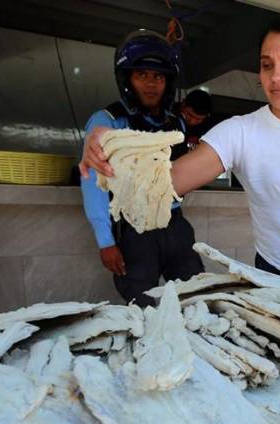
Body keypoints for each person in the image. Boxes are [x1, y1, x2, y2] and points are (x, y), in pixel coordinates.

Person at [80, 18, 280, 277]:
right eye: (266, 65)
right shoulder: (240, 132)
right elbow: (162, 183)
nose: (275, 75)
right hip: (275, 276)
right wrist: (111, 141)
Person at [80, 29, 203, 306]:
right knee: (143, 305)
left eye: (158, 76)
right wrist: (105, 241)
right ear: (127, 79)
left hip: (175, 225)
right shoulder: (107, 121)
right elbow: (92, 184)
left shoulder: (176, 124)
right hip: (134, 231)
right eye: (142, 75)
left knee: (194, 299)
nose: (151, 84)